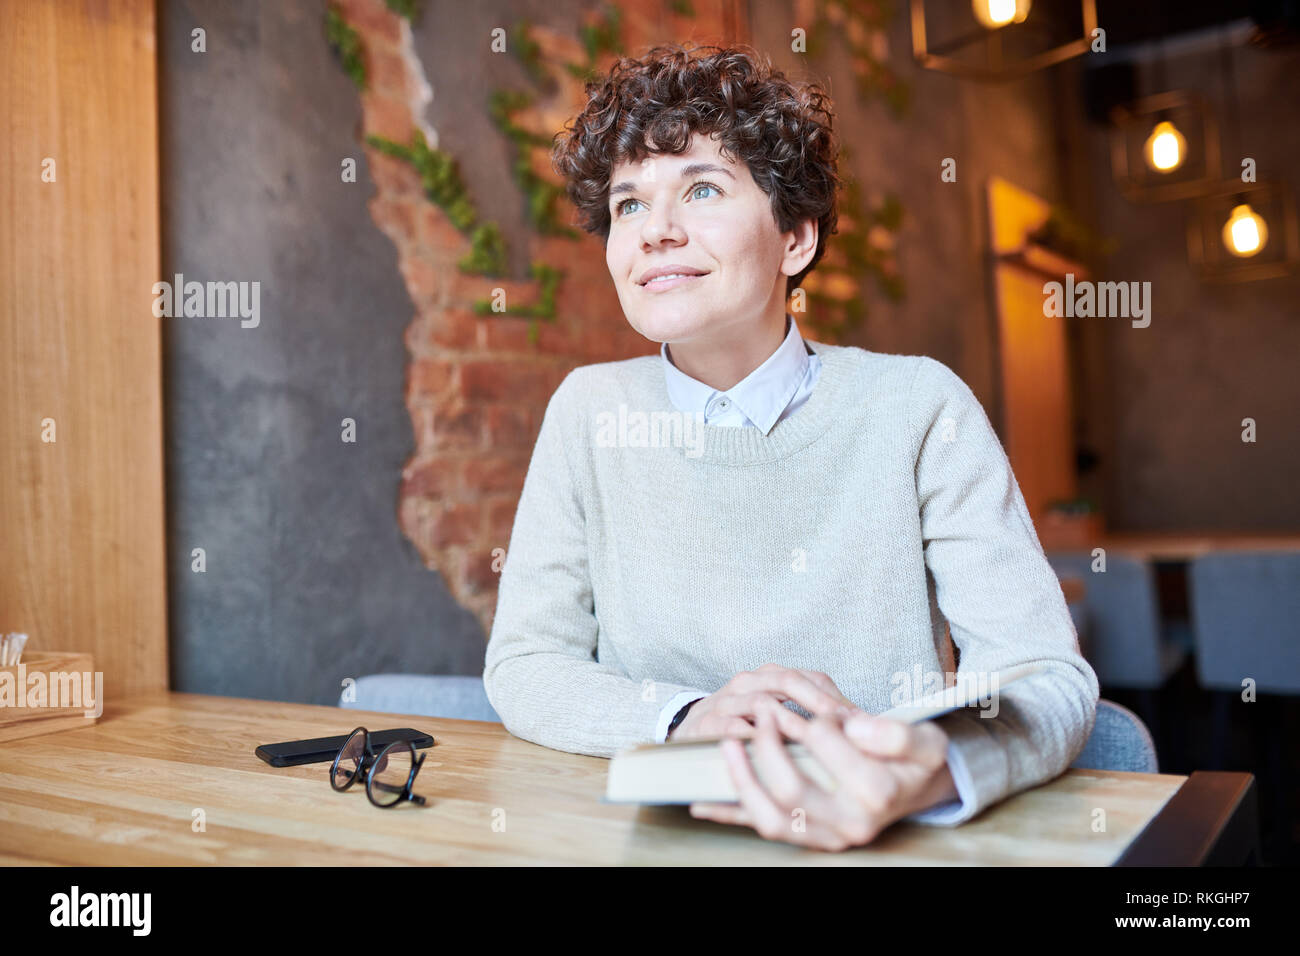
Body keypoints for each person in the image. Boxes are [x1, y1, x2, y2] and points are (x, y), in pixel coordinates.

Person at [483, 43, 1098, 851]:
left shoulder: (918, 406)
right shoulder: (588, 413)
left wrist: (933, 763)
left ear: (796, 238)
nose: (655, 232)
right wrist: (683, 716)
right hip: (656, 844)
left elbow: (1043, 676)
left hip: (881, 841)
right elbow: (526, 662)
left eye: (700, 189)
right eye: (629, 204)